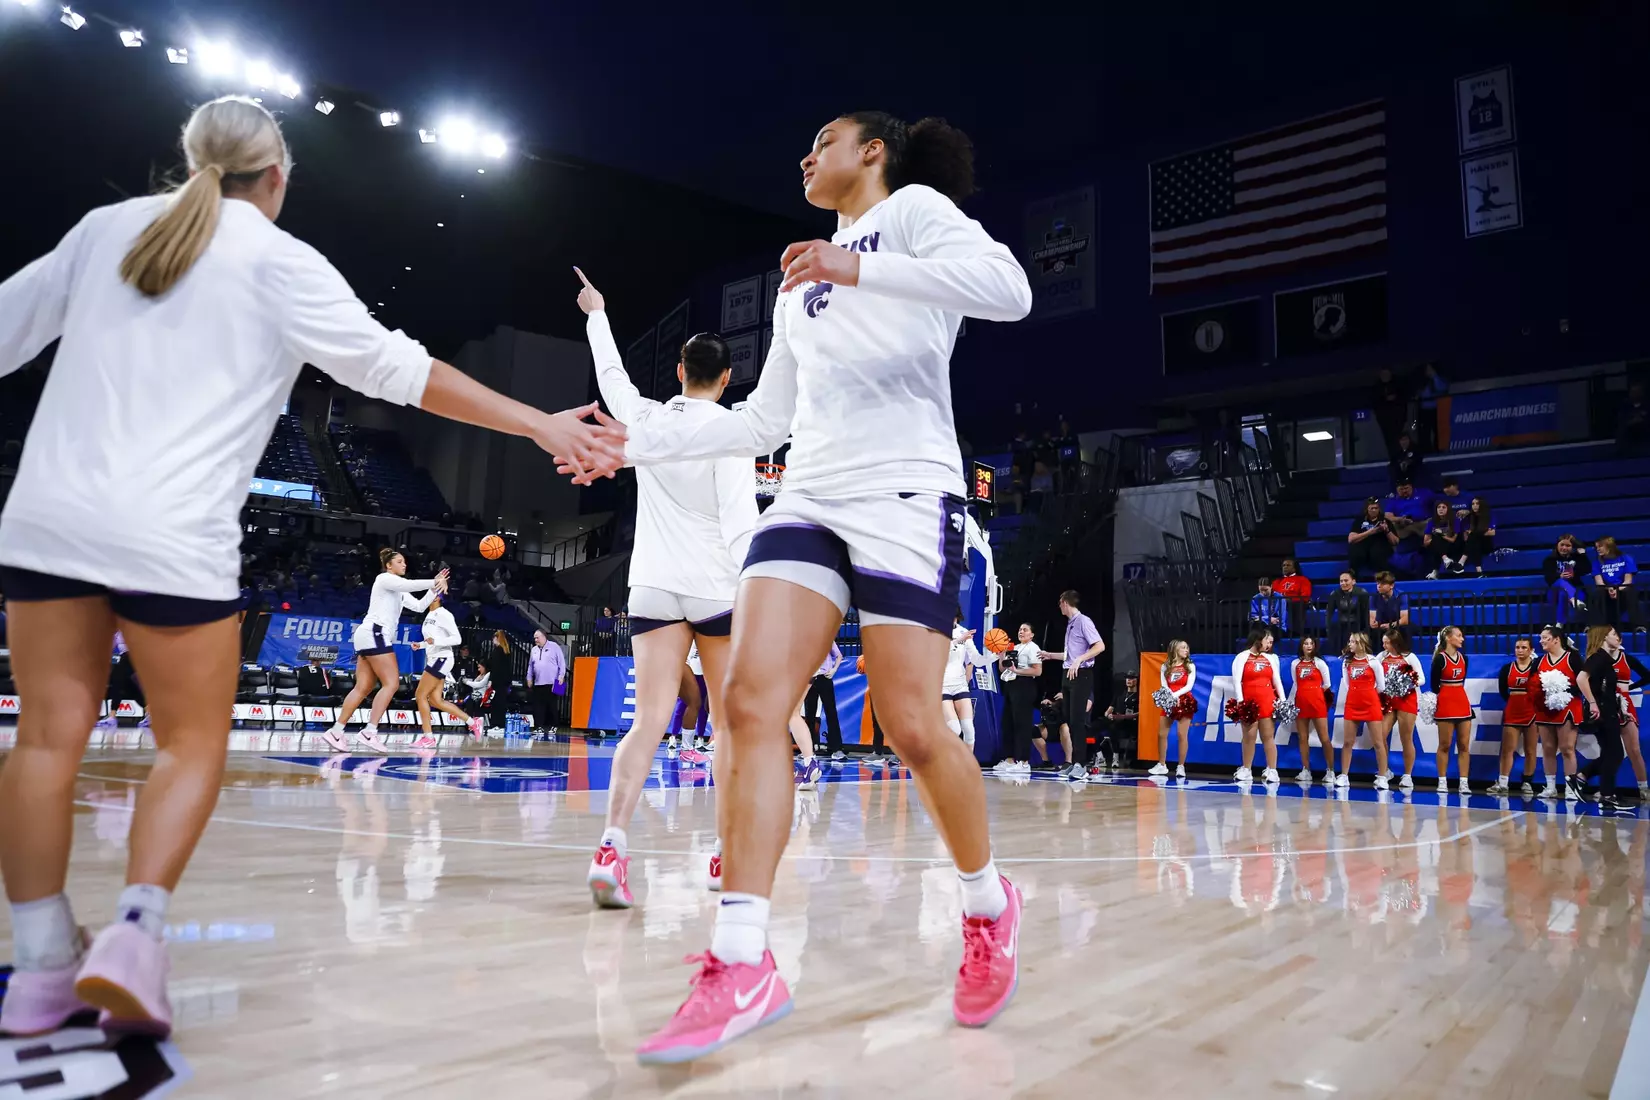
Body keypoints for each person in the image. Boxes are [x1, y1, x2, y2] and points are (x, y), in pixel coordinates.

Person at [0, 95, 622, 1040]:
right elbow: (398, 371)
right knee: (188, 747)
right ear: (279, 177)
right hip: (171, 534)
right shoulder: (282, 263)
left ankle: (43, 966)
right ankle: (135, 935)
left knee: (45, 746)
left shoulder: (106, 230)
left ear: (193, 158)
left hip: (46, 522)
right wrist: (539, 422)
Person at [602, 110, 1034, 1059]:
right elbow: (762, 422)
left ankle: (986, 906)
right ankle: (744, 954)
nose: (804, 155)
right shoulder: (802, 281)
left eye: (823, 142)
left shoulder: (915, 212)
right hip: (807, 497)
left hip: (906, 490)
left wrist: (860, 266)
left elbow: (1010, 291)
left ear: (871, 152)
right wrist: (634, 443)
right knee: (749, 703)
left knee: (915, 726)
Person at [576, 271, 759, 911]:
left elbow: (614, 386)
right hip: (716, 591)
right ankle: (721, 852)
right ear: (728, 379)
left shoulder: (648, 419)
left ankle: (612, 846)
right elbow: (742, 527)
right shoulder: (734, 436)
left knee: (649, 722)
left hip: (651, 587)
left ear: (680, 369)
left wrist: (598, 313)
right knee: (729, 726)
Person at [321, 550, 447, 753]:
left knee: (363, 687)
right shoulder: (384, 579)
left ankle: (336, 731)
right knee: (392, 683)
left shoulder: (398, 590)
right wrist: (434, 580)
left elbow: (418, 606)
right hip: (375, 633)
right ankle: (370, 731)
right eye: (399, 562)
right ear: (389, 565)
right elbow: (410, 584)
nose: (404, 565)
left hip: (367, 634)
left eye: (405, 562)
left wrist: (436, 588)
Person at [1578, 624, 1650, 802]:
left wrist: (1629, 689)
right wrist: (1593, 702)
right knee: (1611, 751)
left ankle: (1642, 788)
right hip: (1606, 704)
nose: (1617, 638)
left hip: (1621, 703)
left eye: (1618, 635)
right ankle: (1605, 790)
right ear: (1603, 638)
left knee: (1632, 749)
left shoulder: (1625, 658)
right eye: (1613, 635)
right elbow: (1584, 680)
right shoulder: (1598, 658)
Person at [1041, 590, 1105, 779]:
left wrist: (1080, 660)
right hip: (1068, 673)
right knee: (1068, 719)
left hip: (1081, 673)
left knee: (1077, 721)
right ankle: (1073, 762)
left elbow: (1100, 646)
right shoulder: (1070, 624)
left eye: (1060, 602)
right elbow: (1070, 655)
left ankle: (1081, 764)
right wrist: (1050, 655)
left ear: (1065, 602)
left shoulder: (1084, 621)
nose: (1059, 606)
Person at [407, 592, 482, 748]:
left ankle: (428, 737)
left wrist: (436, 641)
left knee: (420, 695)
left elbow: (457, 639)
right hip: (435, 658)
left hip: (442, 658)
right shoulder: (429, 615)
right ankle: (472, 722)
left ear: (437, 598)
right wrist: (420, 645)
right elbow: (431, 640)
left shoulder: (444, 614)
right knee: (435, 700)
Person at [1533, 626, 1584, 801]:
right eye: (1541, 638)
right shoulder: (1538, 662)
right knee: (1547, 748)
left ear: (1556, 639)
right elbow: (1532, 686)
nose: (1541, 641)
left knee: (1567, 748)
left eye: (1545, 637)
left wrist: (1565, 688)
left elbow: (1584, 682)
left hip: (1568, 706)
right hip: (1545, 708)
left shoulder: (1573, 658)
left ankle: (1571, 788)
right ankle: (1550, 787)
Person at [1230, 627, 1286, 786]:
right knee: (1249, 737)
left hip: (1267, 700)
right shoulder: (1242, 657)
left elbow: (1277, 680)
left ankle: (1272, 770)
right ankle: (1246, 769)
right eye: (1266, 640)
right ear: (1257, 639)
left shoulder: (1270, 658)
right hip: (1249, 702)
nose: (1268, 644)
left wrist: (1282, 700)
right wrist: (1241, 702)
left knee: (1268, 737)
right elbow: (1236, 681)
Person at [1337, 633, 1389, 790]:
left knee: (1378, 742)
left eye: (1353, 641)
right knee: (1347, 742)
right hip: (1352, 703)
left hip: (1371, 704)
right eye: (1350, 641)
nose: (1350, 644)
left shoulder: (1373, 662)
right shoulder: (1347, 662)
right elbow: (1347, 683)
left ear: (1362, 643)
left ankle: (1382, 777)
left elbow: (1381, 686)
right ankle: (1344, 776)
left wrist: (1367, 693)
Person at [1378, 626, 1427, 790]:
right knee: (1380, 735)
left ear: (1394, 643)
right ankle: (1385, 771)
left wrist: (1405, 683)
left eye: (1386, 643)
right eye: (1383, 643)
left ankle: (1407, 775)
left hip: (1406, 700)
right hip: (1388, 700)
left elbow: (1422, 679)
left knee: (1406, 738)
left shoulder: (1409, 657)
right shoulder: (1381, 657)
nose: (1384, 646)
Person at [1491, 637, 1541, 796]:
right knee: (1507, 749)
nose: (1520, 650)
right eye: (1518, 647)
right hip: (1513, 710)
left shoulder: (1536, 668)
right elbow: (1502, 690)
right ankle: (1503, 782)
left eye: (1524, 647)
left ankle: (1527, 782)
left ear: (1531, 650)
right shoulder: (1507, 668)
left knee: (1530, 750)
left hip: (1532, 711)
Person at [992, 622, 1042, 776]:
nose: (1021, 631)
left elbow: (1037, 671)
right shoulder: (1015, 647)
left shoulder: (1033, 647)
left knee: (1022, 724)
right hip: (1010, 685)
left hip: (1025, 686)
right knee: (1008, 723)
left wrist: (1017, 670)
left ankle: (1024, 761)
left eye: (1025, 629)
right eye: (1020, 629)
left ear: (1032, 634)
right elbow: (1002, 669)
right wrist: (1002, 655)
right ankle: (1009, 760)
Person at [1430, 626, 1474, 794]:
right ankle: (1442, 781)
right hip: (1446, 702)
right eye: (1459, 636)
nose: (1462, 639)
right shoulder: (1440, 659)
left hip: (1462, 702)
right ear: (1448, 638)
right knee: (1445, 744)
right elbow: (1434, 686)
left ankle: (1464, 782)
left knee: (1464, 745)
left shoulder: (1464, 658)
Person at [1289, 635, 1335, 786]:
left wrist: (1314, 693)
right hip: (1301, 702)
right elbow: (1296, 683)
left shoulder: (1320, 663)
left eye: (1311, 643)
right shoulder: (1295, 663)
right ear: (1301, 646)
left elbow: (1327, 684)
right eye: (1305, 643)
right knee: (1302, 737)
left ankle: (1330, 770)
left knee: (1324, 737)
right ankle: (1306, 769)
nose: (1308, 646)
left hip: (1317, 702)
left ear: (1315, 646)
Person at [1150, 639, 1196, 781]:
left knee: (1182, 734)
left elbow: (1189, 686)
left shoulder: (1189, 665)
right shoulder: (1166, 666)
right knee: (1161, 733)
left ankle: (1181, 766)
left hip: (1185, 700)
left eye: (1187, 647)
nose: (1186, 650)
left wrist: (1176, 696)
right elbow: (1164, 685)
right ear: (1174, 649)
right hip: (1169, 701)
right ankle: (1162, 764)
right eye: (1183, 647)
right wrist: (1170, 697)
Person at [943, 612, 989, 749]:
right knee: (954, 729)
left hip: (960, 685)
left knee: (969, 731)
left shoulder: (964, 632)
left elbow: (976, 660)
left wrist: (995, 655)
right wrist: (958, 640)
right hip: (941, 685)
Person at [805, 641, 845, 761]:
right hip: (809, 678)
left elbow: (838, 655)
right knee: (809, 714)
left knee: (831, 712)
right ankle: (808, 749)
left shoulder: (826, 637)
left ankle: (836, 748)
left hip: (824, 677)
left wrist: (833, 670)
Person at [1097, 671, 1140, 776]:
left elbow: (1139, 713)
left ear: (1137, 680)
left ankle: (1121, 759)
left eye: (1132, 678)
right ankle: (1102, 757)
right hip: (1117, 720)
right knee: (1097, 726)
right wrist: (1108, 715)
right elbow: (1110, 709)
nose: (1129, 680)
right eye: (1127, 678)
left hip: (1132, 722)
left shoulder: (1139, 695)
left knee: (1116, 728)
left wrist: (1121, 716)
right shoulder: (1120, 693)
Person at [526, 629, 567, 736]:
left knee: (552, 705)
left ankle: (554, 726)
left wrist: (561, 676)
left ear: (544, 637)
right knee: (538, 706)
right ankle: (539, 726)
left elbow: (562, 663)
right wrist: (529, 678)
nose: (535, 639)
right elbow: (531, 665)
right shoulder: (534, 649)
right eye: (534, 637)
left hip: (552, 682)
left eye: (537, 637)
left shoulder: (554, 647)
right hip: (538, 682)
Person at [1542, 535, 1591, 623]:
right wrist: (1559, 576)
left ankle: (1560, 624)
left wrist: (1583, 555)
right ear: (1557, 545)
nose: (1564, 548)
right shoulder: (1549, 560)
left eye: (1568, 545)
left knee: (1563, 593)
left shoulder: (1577, 558)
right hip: (1554, 592)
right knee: (1561, 582)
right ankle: (1572, 599)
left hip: (1575, 589)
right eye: (1562, 545)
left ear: (1573, 547)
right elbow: (1548, 579)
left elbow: (1587, 569)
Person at [1593, 536, 1638, 629]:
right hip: (1607, 589)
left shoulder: (1626, 558)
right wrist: (1609, 588)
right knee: (1598, 592)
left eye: (1600, 546)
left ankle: (1639, 626)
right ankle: (1595, 627)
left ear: (1609, 546)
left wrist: (1617, 589)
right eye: (1596, 547)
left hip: (1623, 588)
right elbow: (1599, 582)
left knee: (1630, 591)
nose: (1598, 549)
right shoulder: (1597, 562)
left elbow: (1628, 581)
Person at [1347, 498, 1396, 580]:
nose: (1374, 510)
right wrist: (1371, 531)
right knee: (1355, 551)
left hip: (1379, 547)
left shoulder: (1385, 521)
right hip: (1363, 547)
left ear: (1379, 509)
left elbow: (1395, 542)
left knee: (1377, 552)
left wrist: (1387, 531)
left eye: (1376, 508)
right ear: (1367, 509)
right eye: (1371, 508)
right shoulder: (1359, 521)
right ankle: (1352, 577)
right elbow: (1351, 539)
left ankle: (1382, 579)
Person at [1326, 570, 1370, 651]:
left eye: (1346, 580)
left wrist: (1366, 630)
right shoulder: (1335, 594)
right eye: (1341, 581)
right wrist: (1328, 627)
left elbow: (1366, 613)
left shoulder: (1362, 593)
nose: (1343, 583)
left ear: (1353, 581)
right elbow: (1329, 613)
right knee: (1334, 628)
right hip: (1342, 625)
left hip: (1357, 624)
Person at [481, 631, 514, 735]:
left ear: (497, 638)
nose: (492, 640)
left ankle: (496, 725)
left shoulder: (497, 651)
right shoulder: (507, 651)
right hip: (504, 683)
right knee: (501, 703)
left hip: (497, 682)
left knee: (495, 704)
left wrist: (491, 680)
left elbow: (495, 668)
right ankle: (501, 725)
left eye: (493, 638)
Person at [1422, 497, 1464, 578]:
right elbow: (1425, 542)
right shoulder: (1432, 522)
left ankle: (1435, 571)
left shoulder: (1455, 521)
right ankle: (1445, 559)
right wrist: (1435, 538)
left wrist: (1441, 534)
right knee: (1435, 540)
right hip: (1440, 548)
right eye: (1439, 507)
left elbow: (1453, 540)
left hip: (1453, 547)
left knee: (1437, 537)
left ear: (1448, 509)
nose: (1441, 509)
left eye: (1444, 507)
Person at [1462, 498, 1496, 575]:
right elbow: (1466, 538)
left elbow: (1492, 533)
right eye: (1473, 504)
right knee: (1475, 542)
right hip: (1473, 545)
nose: (1475, 506)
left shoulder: (1488, 516)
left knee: (1474, 536)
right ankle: (1479, 571)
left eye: (1477, 504)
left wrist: (1474, 532)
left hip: (1486, 545)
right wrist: (1483, 531)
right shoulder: (1469, 518)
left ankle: (1462, 561)